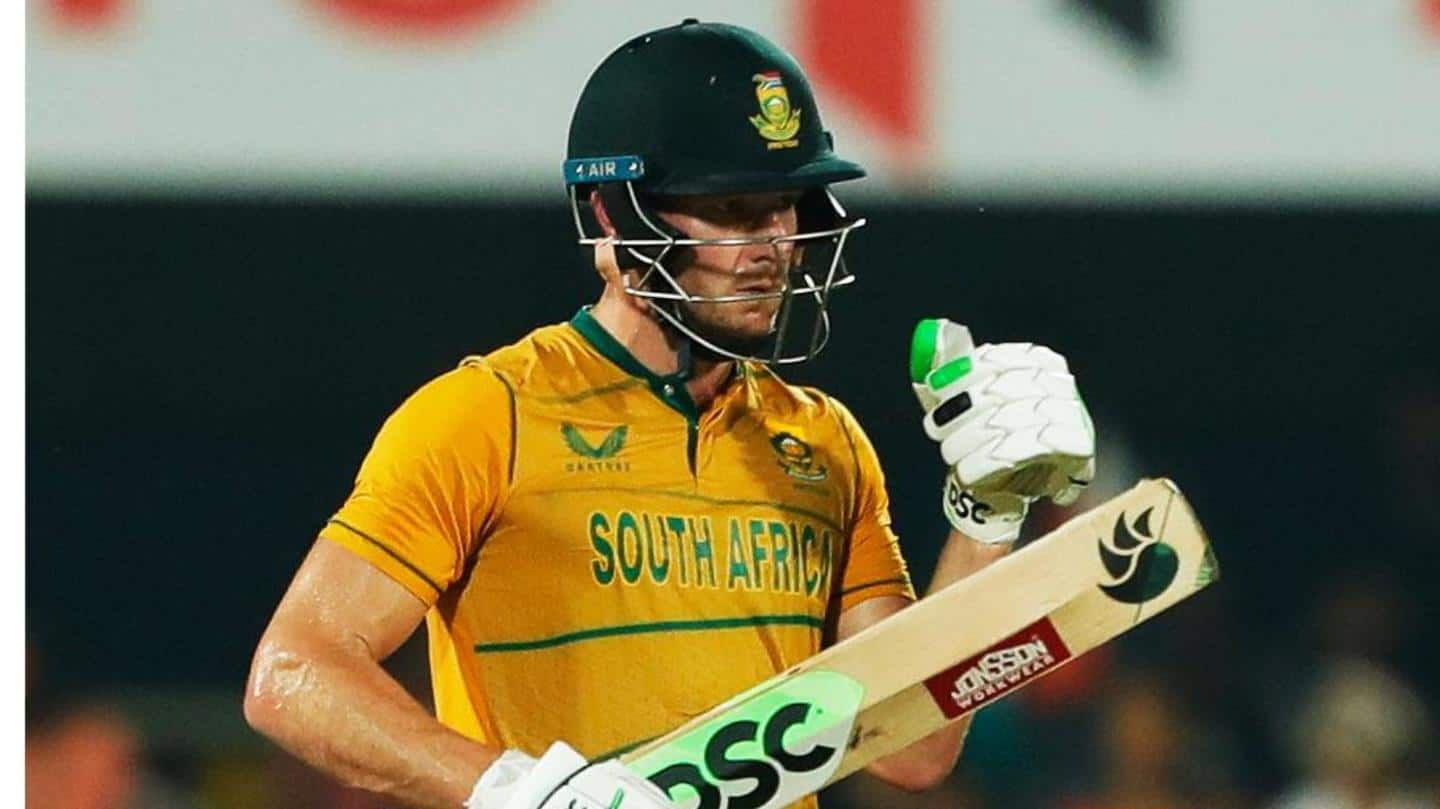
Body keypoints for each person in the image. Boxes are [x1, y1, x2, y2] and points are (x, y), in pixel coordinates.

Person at [243, 19, 1094, 809]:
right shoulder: (486, 417)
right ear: (612, 215)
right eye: (731, 210)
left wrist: (985, 520)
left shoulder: (824, 441)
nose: (774, 246)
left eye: (785, 206)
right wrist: (520, 791)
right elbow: (291, 673)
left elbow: (913, 748)